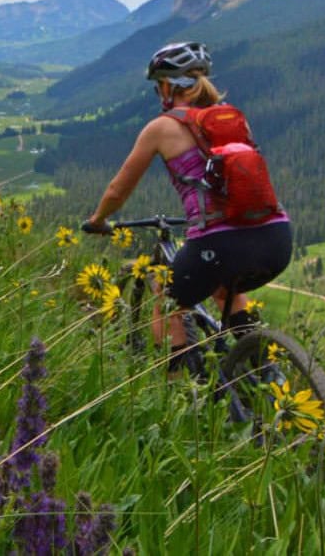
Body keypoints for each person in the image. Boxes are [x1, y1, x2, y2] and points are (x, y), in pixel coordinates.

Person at [82, 41, 292, 369]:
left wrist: (98, 220)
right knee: (226, 291)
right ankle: (266, 373)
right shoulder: (234, 119)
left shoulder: (162, 127)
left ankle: (184, 389)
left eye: (158, 87)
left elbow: (117, 191)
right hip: (277, 238)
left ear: (167, 87)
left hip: (219, 243)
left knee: (164, 301)